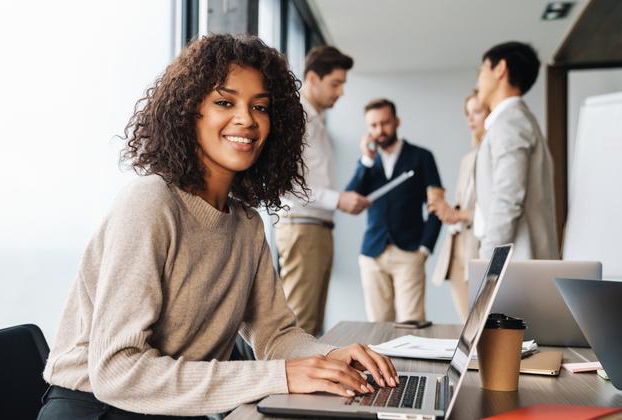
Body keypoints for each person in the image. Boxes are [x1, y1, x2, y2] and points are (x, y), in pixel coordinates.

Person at [38, 34, 397, 420]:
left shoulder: (246, 224)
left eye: (260, 107)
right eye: (225, 102)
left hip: (177, 408)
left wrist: (328, 359)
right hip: (98, 408)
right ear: (189, 112)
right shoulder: (150, 202)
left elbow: (276, 334)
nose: (246, 118)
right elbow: (117, 372)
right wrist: (278, 376)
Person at [276, 45, 369, 337]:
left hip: (316, 228)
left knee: (311, 326)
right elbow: (287, 184)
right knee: (300, 326)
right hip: (304, 228)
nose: (341, 92)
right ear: (313, 79)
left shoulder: (316, 120)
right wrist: (338, 199)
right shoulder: (299, 118)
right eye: (336, 83)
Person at [346, 98, 442, 323]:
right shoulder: (367, 163)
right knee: (378, 326)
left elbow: (437, 206)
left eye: (385, 123)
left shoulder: (421, 157)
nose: (380, 130)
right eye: (373, 125)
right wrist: (366, 161)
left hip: (409, 252)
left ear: (397, 122)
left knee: (411, 324)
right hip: (372, 253)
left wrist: (425, 248)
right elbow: (349, 200)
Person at [473, 41, 559, 260]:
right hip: (519, 260)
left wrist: (486, 258)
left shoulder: (510, 122)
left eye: (482, 70)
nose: (478, 80)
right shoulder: (517, 120)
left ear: (500, 69)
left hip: (515, 262)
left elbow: (508, 198)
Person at [429, 91, 490, 322]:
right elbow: (462, 206)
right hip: (456, 251)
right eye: (468, 113)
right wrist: (446, 211)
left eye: (477, 111)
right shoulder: (468, 159)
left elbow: (495, 209)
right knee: (467, 324)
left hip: (478, 249)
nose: (470, 119)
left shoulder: (493, 156)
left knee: (481, 325)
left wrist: (458, 214)